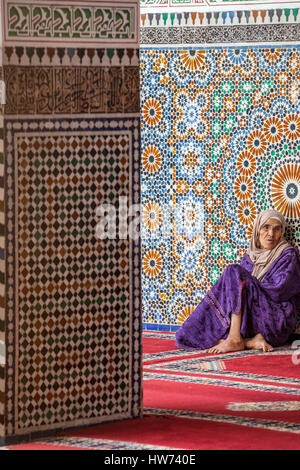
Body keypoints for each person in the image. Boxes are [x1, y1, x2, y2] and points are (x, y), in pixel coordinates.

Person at [175, 209, 300, 354]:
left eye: (276, 229)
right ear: (257, 229)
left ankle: (234, 339)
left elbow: (278, 291)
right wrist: (245, 287)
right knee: (190, 334)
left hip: (276, 321)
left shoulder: (287, 255)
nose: (271, 234)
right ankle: (249, 341)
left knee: (233, 271)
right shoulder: (250, 256)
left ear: (281, 232)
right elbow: (236, 294)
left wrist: (250, 286)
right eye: (266, 227)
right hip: (254, 319)